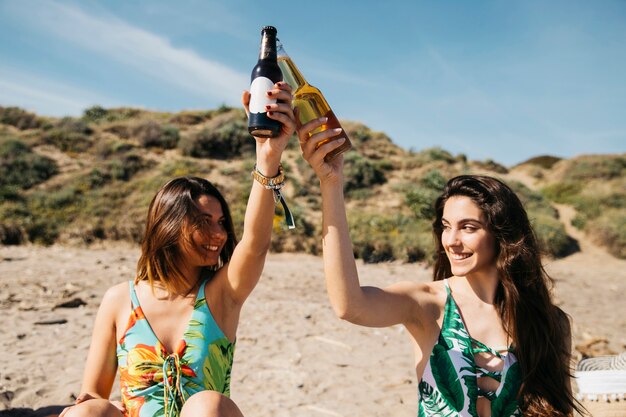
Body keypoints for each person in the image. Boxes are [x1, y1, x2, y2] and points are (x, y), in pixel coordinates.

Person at [298, 117, 583, 417]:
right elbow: (349, 305)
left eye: (468, 227)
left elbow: (559, 410)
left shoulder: (548, 322)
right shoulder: (428, 305)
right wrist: (331, 184)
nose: (452, 241)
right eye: (447, 227)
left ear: (502, 234)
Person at [59, 82, 295, 417]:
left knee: (206, 403)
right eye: (204, 222)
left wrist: (267, 156)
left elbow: (255, 245)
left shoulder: (221, 293)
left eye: (221, 222)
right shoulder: (119, 300)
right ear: (169, 226)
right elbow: (93, 393)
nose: (219, 234)